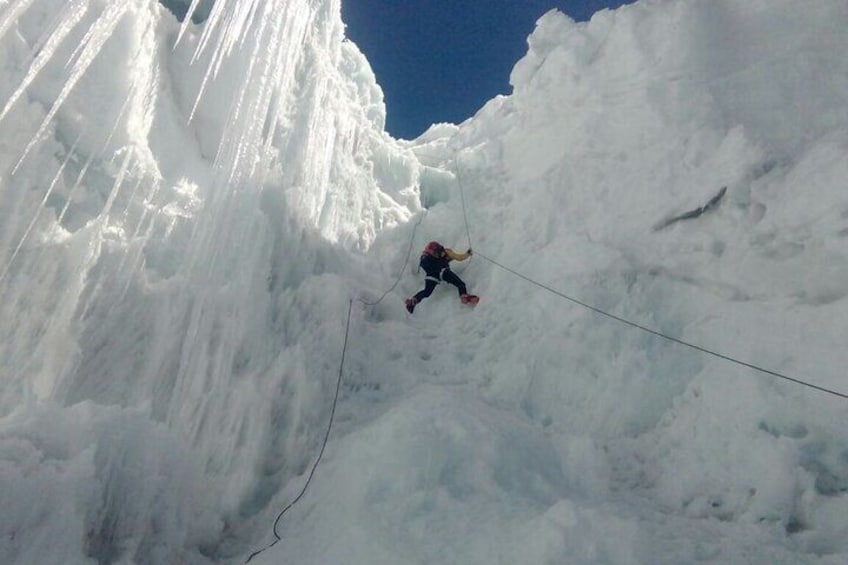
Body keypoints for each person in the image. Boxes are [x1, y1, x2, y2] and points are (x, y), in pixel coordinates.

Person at [405, 241, 477, 314]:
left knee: (459, 284)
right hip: (437, 274)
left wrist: (467, 254)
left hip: (437, 274)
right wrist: (425, 259)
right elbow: (424, 263)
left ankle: (464, 297)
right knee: (427, 292)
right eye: (434, 254)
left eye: (436, 252)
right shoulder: (426, 257)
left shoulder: (446, 252)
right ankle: (413, 301)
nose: (436, 255)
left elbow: (459, 257)